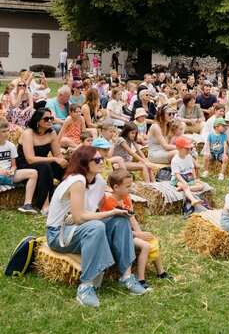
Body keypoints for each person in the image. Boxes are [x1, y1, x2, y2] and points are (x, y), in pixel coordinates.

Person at [45, 145, 147, 308]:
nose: (102, 162)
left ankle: (126, 276)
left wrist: (118, 211)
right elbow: (79, 217)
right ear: (85, 163)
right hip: (59, 234)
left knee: (120, 221)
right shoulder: (77, 181)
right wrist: (110, 214)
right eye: (98, 159)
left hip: (81, 229)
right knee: (97, 226)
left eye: (103, 158)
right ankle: (85, 286)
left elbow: (99, 207)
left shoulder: (98, 181)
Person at [102, 169, 172, 288]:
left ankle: (161, 271)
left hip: (129, 233)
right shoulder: (109, 203)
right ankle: (141, 279)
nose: (130, 189)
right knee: (145, 246)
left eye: (131, 185)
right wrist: (137, 235)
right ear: (116, 187)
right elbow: (115, 227)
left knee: (151, 239)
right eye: (127, 186)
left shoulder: (126, 198)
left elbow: (132, 218)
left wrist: (140, 233)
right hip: (118, 236)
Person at [17, 109, 68, 212]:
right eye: (46, 119)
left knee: (67, 167)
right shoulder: (28, 133)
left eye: (51, 118)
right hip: (25, 165)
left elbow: (57, 154)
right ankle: (44, 205)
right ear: (38, 121)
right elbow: (30, 159)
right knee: (45, 167)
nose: (50, 121)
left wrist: (64, 162)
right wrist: (54, 159)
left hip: (43, 163)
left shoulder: (52, 133)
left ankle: (66, 196)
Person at [170, 136, 207, 213]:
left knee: (201, 186)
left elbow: (192, 169)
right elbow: (177, 175)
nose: (188, 150)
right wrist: (184, 182)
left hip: (188, 177)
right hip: (178, 179)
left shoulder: (189, 157)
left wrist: (195, 178)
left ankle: (183, 189)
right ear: (179, 148)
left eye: (189, 148)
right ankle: (192, 199)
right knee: (184, 185)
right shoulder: (175, 160)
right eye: (186, 149)